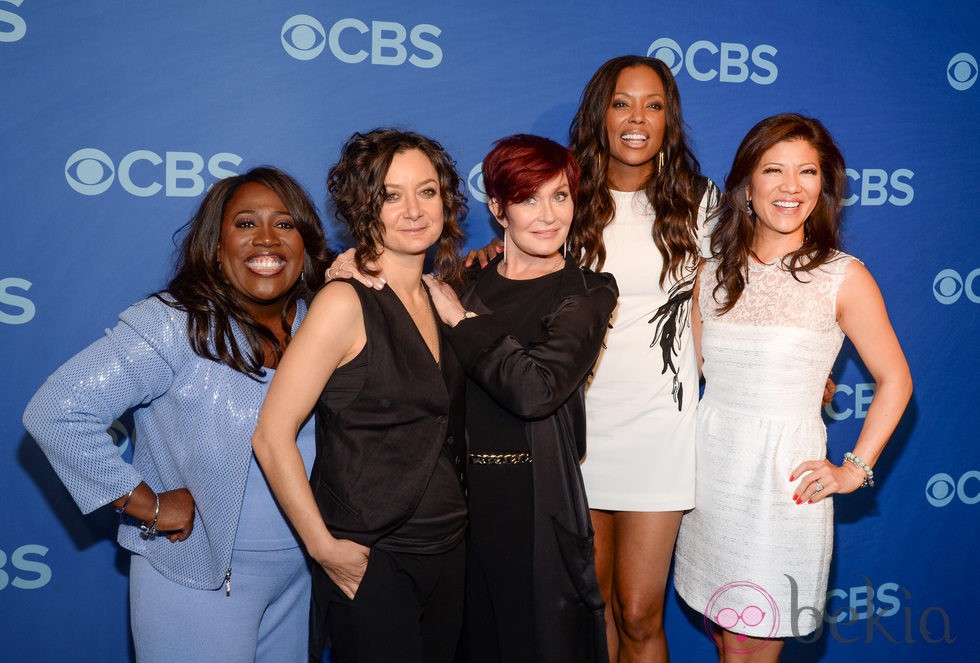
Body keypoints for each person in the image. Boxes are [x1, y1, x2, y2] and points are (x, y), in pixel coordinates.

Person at [22, 167, 332, 663]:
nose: (267, 239)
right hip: (195, 578)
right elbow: (57, 411)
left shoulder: (324, 323)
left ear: (306, 243)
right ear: (214, 245)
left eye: (286, 224)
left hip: (302, 578)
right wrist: (144, 503)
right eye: (246, 224)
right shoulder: (174, 324)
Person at [672, 113, 913, 661]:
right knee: (729, 643)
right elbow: (704, 372)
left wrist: (854, 469)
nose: (791, 187)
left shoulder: (843, 276)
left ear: (823, 187)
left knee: (756, 646)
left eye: (807, 172)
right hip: (710, 477)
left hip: (782, 485)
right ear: (746, 186)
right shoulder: (710, 274)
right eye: (773, 170)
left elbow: (895, 379)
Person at [250, 129, 469, 663]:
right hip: (373, 560)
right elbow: (271, 435)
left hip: (453, 551)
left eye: (428, 191)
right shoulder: (342, 301)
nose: (413, 210)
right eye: (391, 195)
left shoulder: (444, 296)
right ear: (364, 206)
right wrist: (324, 548)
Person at [423, 134, 618, 663]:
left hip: (536, 502)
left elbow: (535, 389)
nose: (548, 214)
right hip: (455, 505)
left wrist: (462, 322)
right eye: (529, 198)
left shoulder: (588, 292)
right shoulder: (463, 282)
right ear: (498, 207)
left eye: (560, 196)